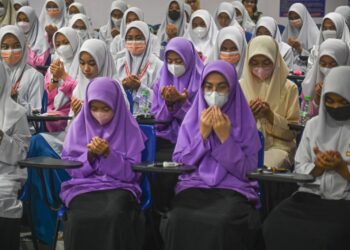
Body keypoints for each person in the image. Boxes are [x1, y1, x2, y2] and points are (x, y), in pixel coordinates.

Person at [161, 60, 261, 250]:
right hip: (194, 185)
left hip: (233, 189)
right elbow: (180, 164)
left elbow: (247, 171)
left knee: (222, 222)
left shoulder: (244, 121)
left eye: (221, 88)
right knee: (176, 219)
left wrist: (226, 139)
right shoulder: (192, 119)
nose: (214, 94)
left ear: (232, 89)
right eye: (209, 87)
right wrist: (203, 136)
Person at [263, 66, 350, 250]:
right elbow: (299, 168)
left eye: (342, 102)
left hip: (344, 199)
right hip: (311, 194)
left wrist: (342, 167)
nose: (335, 107)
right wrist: (317, 168)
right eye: (330, 100)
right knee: (274, 225)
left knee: (328, 236)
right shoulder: (313, 126)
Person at [60, 76, 146, 250]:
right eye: (94, 108)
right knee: (77, 218)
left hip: (119, 187)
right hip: (83, 187)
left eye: (106, 108)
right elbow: (70, 168)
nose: (99, 113)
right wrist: (89, 156)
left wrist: (109, 154)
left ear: (116, 104)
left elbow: (133, 174)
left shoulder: (129, 127)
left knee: (114, 214)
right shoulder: (79, 126)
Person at [240, 35, 299, 169]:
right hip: (246, 144)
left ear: (275, 60)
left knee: (266, 167)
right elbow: (233, 127)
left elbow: (293, 131)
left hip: (278, 146)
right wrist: (250, 116)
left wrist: (270, 115)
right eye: (254, 63)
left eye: (266, 63)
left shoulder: (289, 88)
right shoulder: (240, 87)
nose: (260, 68)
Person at [0, 61, 31, 250]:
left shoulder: (16, 113)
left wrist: (2, 139)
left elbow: (21, 155)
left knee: (2, 198)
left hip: (8, 172)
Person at [115, 21, 162, 115]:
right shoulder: (118, 64)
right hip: (121, 118)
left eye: (138, 38)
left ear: (147, 39)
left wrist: (139, 88)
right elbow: (110, 94)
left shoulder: (158, 66)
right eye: (129, 38)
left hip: (147, 120)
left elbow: (160, 100)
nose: (134, 42)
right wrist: (122, 86)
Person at [0, 25, 44, 115]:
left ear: (24, 46)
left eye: (16, 46)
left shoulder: (34, 76)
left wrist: (15, 97)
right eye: (5, 47)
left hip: (23, 127)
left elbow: (36, 114)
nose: (11, 51)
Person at [44, 27, 81, 132]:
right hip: (54, 109)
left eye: (66, 42)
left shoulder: (83, 63)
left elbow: (81, 90)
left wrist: (63, 75)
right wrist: (55, 78)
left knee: (55, 120)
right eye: (58, 44)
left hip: (74, 108)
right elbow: (49, 96)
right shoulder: (55, 64)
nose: (62, 47)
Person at [301, 39, 349, 118]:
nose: (327, 68)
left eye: (332, 64)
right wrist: (317, 97)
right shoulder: (310, 83)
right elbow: (305, 117)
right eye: (323, 64)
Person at [281, 3, 319, 72]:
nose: (294, 20)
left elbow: (316, 59)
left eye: (297, 17)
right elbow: (281, 54)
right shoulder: (287, 31)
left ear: (303, 16)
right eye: (291, 18)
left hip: (308, 71)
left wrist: (300, 49)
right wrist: (288, 48)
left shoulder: (314, 33)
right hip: (289, 70)